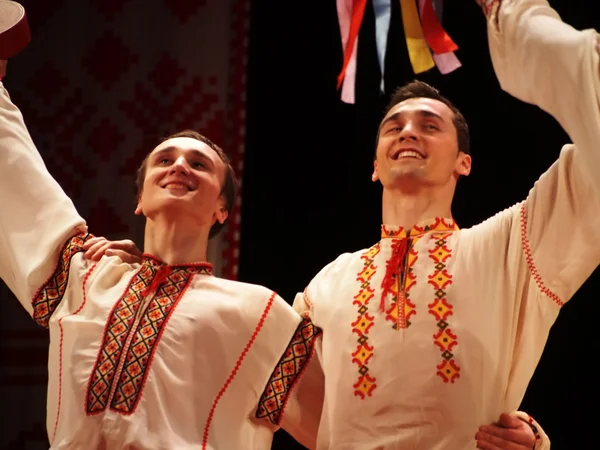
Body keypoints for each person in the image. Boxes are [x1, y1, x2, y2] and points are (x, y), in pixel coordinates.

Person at [258, 0, 599, 448]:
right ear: (375, 166)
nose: (408, 132)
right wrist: (134, 279)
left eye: (430, 125)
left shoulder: (511, 247)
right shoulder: (326, 285)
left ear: (464, 162)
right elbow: (258, 381)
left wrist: (511, 11)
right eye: (393, 125)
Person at [0, 51, 327, 447]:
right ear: (139, 199)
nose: (179, 167)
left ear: (222, 209)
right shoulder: (85, 278)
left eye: (199, 165)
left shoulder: (259, 314)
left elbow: (342, 430)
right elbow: (15, 173)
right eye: (165, 159)